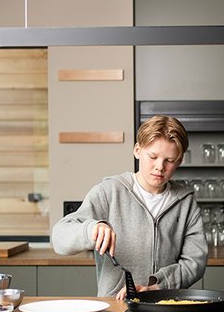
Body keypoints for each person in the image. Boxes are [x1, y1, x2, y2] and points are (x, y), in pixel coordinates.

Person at [51, 115, 207, 299]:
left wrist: (157, 287)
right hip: (115, 306)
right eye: (153, 156)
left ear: (179, 161)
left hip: (167, 304)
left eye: (169, 160)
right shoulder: (109, 192)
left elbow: (195, 262)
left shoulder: (185, 202)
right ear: (137, 150)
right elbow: (59, 238)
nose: (160, 167)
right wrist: (92, 229)